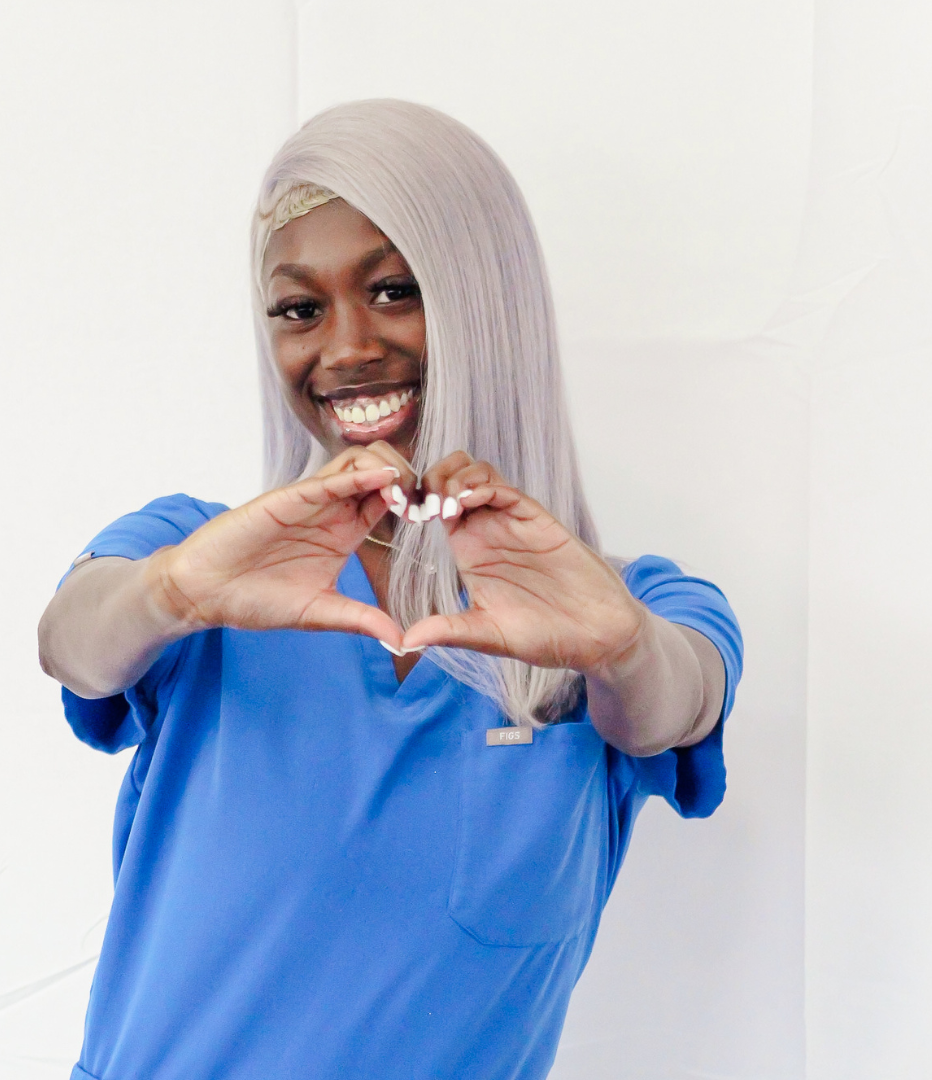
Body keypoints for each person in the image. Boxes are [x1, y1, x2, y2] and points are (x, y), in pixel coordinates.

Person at [38, 99, 743, 1080]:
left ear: (484, 302)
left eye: (395, 290)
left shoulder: (627, 609)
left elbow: (678, 697)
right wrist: (174, 590)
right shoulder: (203, 558)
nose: (347, 347)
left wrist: (620, 647)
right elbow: (75, 638)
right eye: (300, 308)